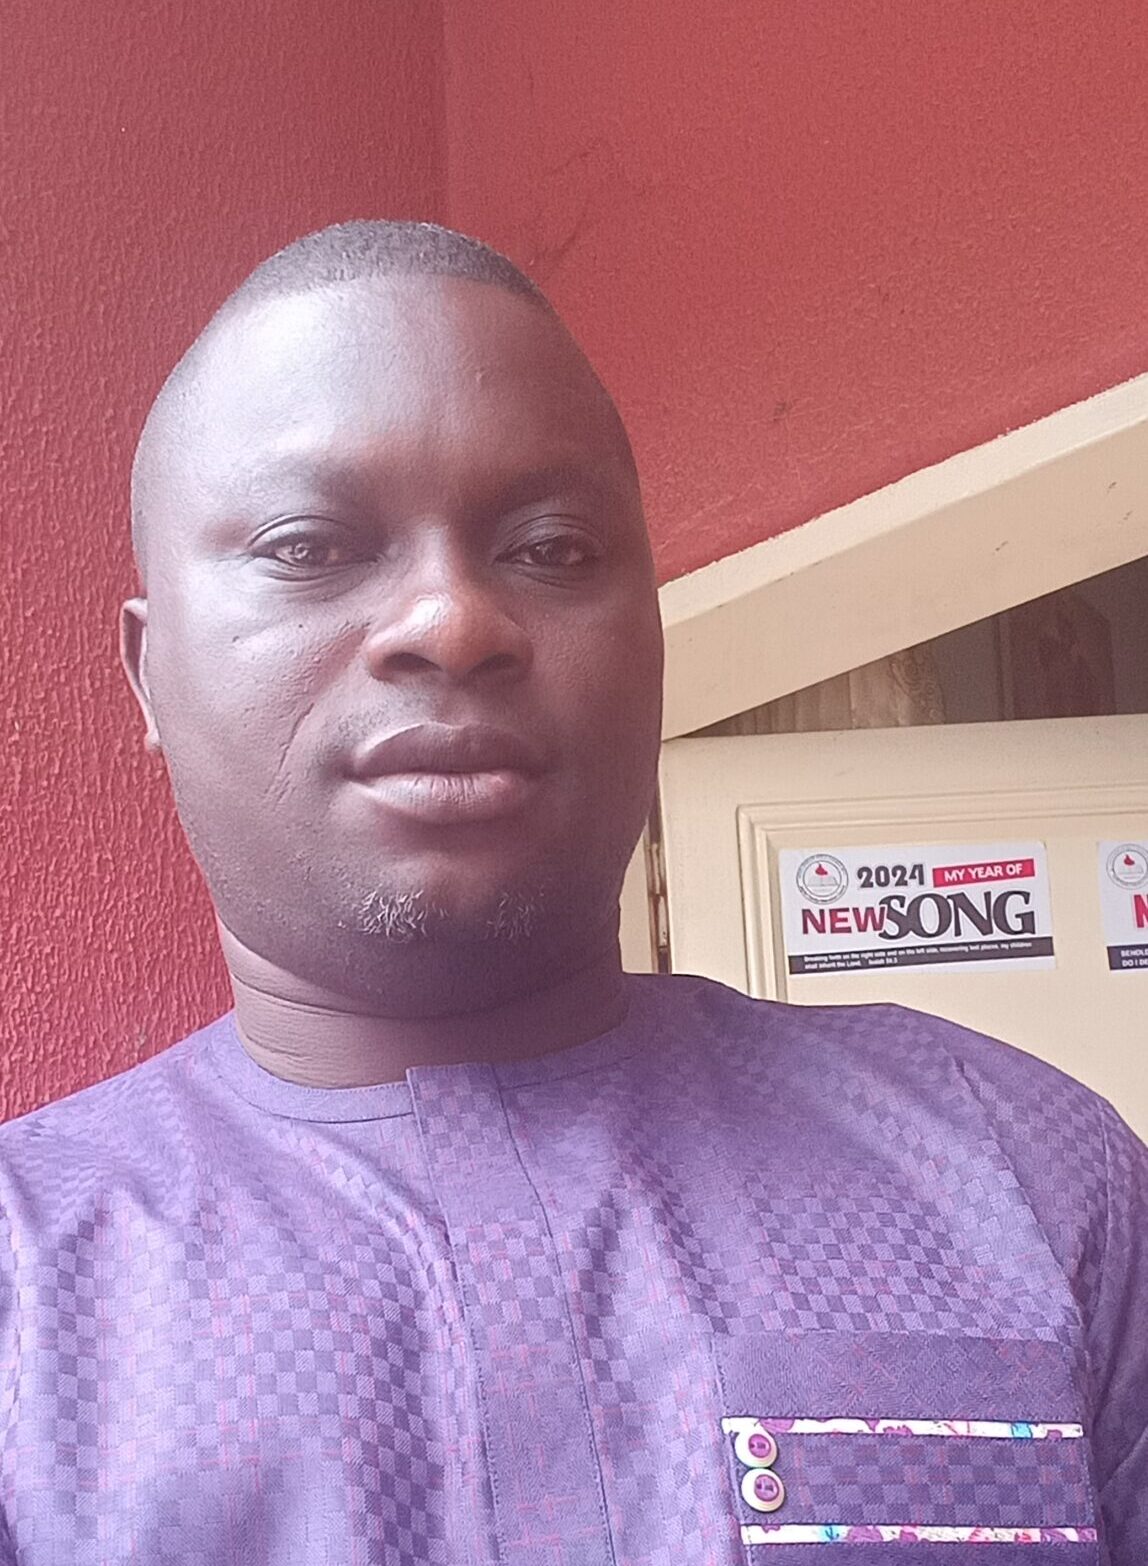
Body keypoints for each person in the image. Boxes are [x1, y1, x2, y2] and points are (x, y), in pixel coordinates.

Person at [0, 220, 1144, 1565]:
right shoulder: (26, 1282)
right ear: (150, 675)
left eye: (550, 549)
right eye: (311, 546)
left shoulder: (1025, 1168)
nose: (452, 621)